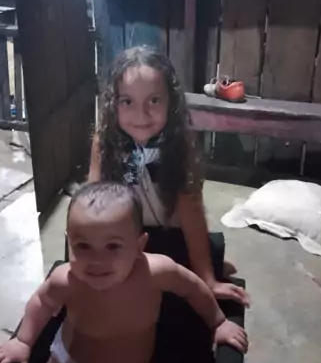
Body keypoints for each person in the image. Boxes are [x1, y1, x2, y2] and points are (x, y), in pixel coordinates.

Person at [0, 182, 248, 363]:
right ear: (69, 241)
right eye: (83, 246)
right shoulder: (66, 280)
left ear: (139, 246)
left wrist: (218, 322)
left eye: (113, 246)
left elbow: (192, 288)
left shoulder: (157, 272)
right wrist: (23, 341)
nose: (96, 260)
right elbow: (41, 302)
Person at [88, 46, 250, 307]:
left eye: (153, 101)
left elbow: (191, 215)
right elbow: (91, 205)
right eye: (127, 101)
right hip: (124, 239)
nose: (141, 115)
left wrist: (208, 279)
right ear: (112, 103)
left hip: (173, 235)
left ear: (171, 102)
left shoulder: (179, 147)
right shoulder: (104, 143)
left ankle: (212, 264)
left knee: (191, 272)